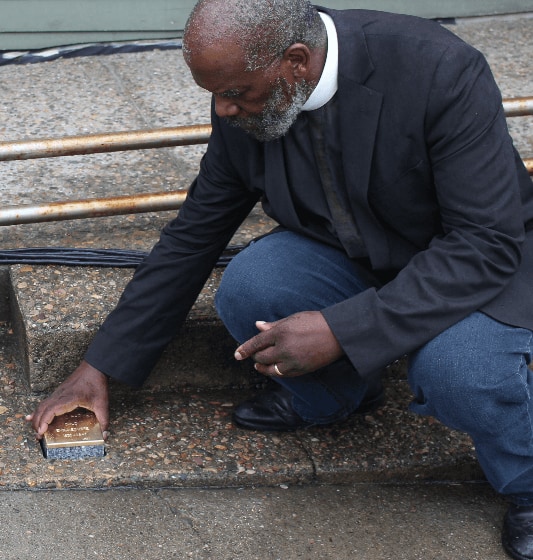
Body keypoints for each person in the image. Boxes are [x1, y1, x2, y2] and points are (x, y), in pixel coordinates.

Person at [27, 0, 533, 557]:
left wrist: (342, 330)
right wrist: (98, 365)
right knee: (253, 281)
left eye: (234, 93)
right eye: (214, 94)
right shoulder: (252, 95)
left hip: (477, 259)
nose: (221, 111)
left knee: (459, 368)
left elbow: (484, 241)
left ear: (296, 61)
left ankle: (526, 480)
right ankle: (337, 398)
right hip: (356, 251)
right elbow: (194, 236)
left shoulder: (437, 68)